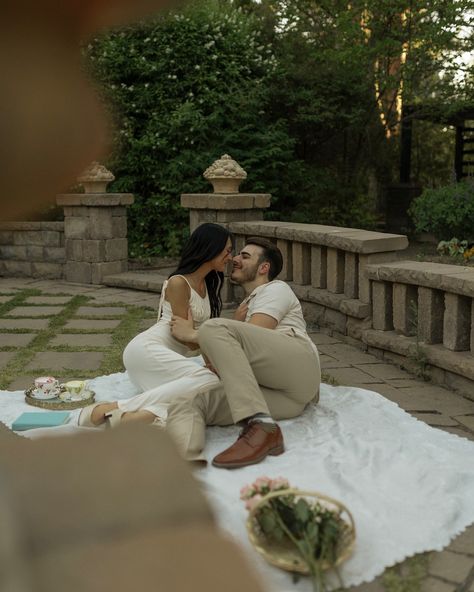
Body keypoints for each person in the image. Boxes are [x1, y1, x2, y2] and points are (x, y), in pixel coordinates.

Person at [167, 237, 321, 468]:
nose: (235, 259)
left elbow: (256, 333)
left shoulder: (276, 289)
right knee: (186, 402)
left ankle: (261, 426)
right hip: (283, 397)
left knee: (212, 327)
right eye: (237, 255)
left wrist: (192, 335)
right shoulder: (246, 307)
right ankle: (181, 460)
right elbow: (221, 367)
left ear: (264, 268)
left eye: (244, 256)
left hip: (299, 368)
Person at [78, 222, 232, 427]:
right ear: (211, 248)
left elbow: (197, 335)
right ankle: (114, 407)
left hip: (165, 359)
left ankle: (129, 419)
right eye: (227, 251)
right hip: (147, 351)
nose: (231, 257)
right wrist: (206, 352)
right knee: (211, 382)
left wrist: (211, 363)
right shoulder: (179, 283)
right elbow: (188, 339)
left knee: (196, 395)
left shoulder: (207, 284)